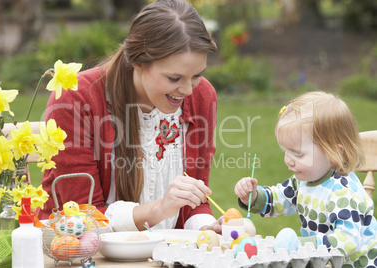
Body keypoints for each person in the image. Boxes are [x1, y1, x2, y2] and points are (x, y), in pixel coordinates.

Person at [37, 0, 222, 233]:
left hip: (161, 253)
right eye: (174, 78)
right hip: (76, 250)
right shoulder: (75, 99)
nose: (187, 90)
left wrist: (208, 227)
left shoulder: (202, 96)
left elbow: (194, 203)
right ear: (137, 61)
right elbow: (83, 216)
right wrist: (158, 210)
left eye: (196, 75)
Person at [235, 91, 377, 267]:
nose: (288, 160)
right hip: (325, 261)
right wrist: (254, 196)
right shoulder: (304, 181)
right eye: (285, 151)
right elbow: (278, 199)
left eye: (297, 153)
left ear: (334, 153)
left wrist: (303, 245)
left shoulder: (343, 193)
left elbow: (347, 242)